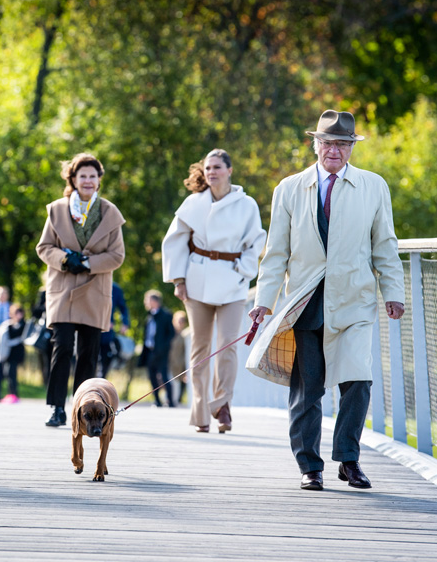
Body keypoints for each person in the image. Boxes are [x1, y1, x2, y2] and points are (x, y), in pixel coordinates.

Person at [248, 110, 405, 491]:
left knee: (358, 380)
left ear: (352, 148)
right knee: (308, 389)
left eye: (342, 143)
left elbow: (384, 243)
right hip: (305, 301)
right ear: (314, 144)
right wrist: (264, 300)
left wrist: (393, 292)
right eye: (327, 143)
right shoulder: (288, 188)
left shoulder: (373, 186)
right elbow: (276, 253)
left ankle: (348, 460)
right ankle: (309, 466)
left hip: (353, 299)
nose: (334, 150)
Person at [162, 148, 266, 433]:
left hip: (233, 284)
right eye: (208, 168)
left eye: (217, 167)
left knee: (227, 346)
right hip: (197, 281)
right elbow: (175, 241)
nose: (211, 173)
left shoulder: (247, 205)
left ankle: (222, 404)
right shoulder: (193, 204)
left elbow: (256, 241)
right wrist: (178, 280)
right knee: (199, 347)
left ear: (229, 170)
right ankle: (199, 412)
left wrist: (243, 270)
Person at [36, 152, 125, 427]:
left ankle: (83, 408)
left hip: (94, 292)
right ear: (73, 179)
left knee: (88, 353)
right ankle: (56, 409)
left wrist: (86, 262)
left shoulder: (110, 213)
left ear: (99, 180)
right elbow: (44, 248)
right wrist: (65, 259)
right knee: (61, 348)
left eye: (93, 176)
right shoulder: (57, 210)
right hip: (62, 290)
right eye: (82, 175)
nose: (88, 180)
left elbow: (117, 256)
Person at [139, 290, 176, 407]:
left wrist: (163, 347)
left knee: (164, 376)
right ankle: (157, 401)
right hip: (150, 351)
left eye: (148, 300)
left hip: (161, 352)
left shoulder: (166, 315)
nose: (146, 303)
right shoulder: (149, 316)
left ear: (154, 301)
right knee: (152, 376)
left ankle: (170, 401)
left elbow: (171, 333)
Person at [0, 304, 26, 403]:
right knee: (7, 373)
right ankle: (9, 393)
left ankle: (14, 393)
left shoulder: (24, 325)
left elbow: (23, 338)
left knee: (12, 373)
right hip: (7, 353)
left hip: (16, 354)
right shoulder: (7, 325)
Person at [98, 282, 130, 378]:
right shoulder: (91, 282)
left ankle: (100, 383)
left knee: (106, 358)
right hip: (89, 329)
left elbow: (123, 308)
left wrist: (125, 323)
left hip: (106, 333)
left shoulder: (115, 289)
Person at [168, 310, 190, 405]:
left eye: (182, 320)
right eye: (179, 320)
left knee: (177, 386)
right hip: (170, 364)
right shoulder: (169, 334)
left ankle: (175, 402)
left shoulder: (186, 335)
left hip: (181, 366)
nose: (180, 322)